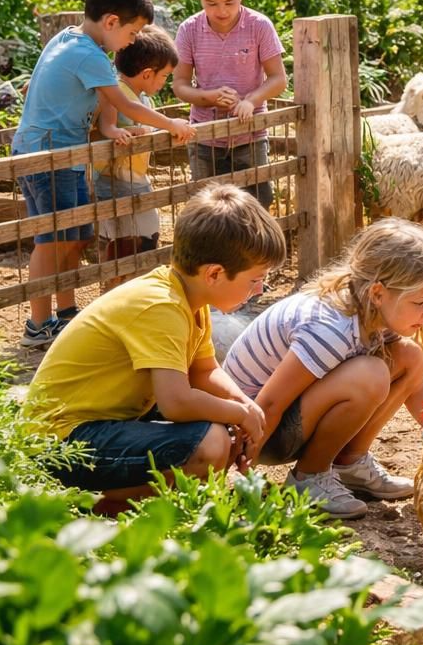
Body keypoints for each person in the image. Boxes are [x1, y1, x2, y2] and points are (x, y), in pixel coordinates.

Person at [23, 185, 286, 513]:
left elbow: (204, 371)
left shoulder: (190, 300)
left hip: (100, 424)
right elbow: (176, 402)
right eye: (255, 279)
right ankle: (94, 505)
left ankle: (158, 501)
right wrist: (241, 414)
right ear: (214, 274)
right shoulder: (161, 306)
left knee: (223, 430)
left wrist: (245, 407)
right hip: (59, 442)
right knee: (211, 442)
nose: (261, 288)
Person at [222, 219, 423, 517]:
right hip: (259, 432)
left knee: (413, 358)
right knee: (370, 375)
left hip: (286, 420)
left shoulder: (372, 312)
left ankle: (349, 463)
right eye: (421, 301)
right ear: (378, 293)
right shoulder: (330, 328)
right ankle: (310, 478)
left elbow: (418, 393)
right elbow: (268, 403)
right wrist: (241, 477)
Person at [12, 0, 194, 348]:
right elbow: (125, 102)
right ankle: (37, 323)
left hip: (67, 153)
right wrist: (170, 123)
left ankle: (64, 313)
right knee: (52, 239)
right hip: (48, 155)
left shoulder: (70, 40)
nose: (130, 42)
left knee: (76, 235)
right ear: (111, 22)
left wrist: (108, 129)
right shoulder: (86, 53)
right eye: (132, 33)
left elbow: (95, 96)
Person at [172, 0, 288, 209]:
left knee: (256, 203)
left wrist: (251, 99)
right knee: (207, 208)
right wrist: (208, 97)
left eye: (229, 2)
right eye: (211, 3)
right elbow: (179, 85)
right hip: (205, 135)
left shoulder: (259, 26)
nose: (221, 11)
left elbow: (278, 79)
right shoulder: (189, 30)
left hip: (250, 133)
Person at [92, 25, 178, 291]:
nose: (164, 82)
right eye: (164, 76)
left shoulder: (137, 96)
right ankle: (121, 290)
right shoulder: (117, 93)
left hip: (133, 178)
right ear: (147, 73)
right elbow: (99, 129)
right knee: (131, 236)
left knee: (135, 233)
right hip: (116, 181)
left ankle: (124, 289)